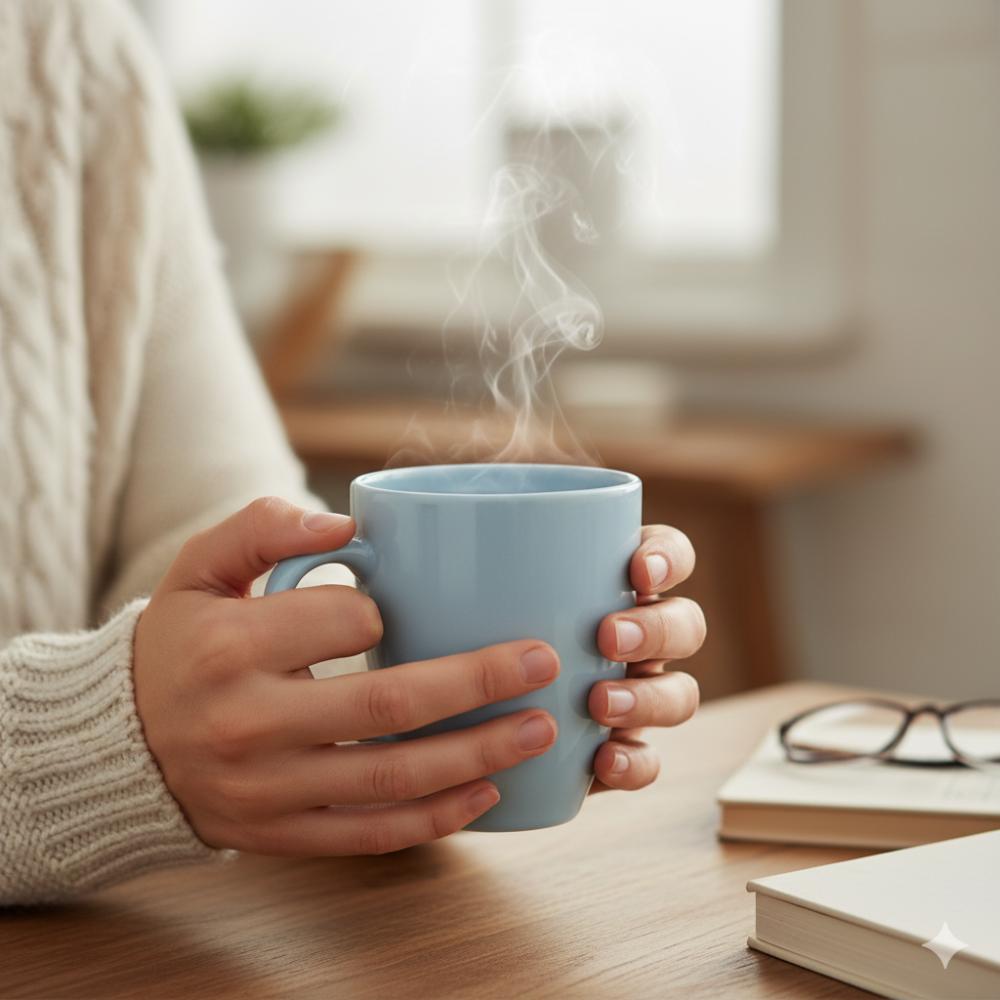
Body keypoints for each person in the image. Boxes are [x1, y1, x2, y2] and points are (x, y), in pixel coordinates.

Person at [0, 0, 706, 904]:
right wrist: (99, 743)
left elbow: (216, 553)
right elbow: (146, 714)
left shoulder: (65, 44)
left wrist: (382, 713)